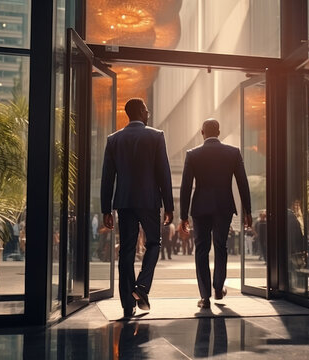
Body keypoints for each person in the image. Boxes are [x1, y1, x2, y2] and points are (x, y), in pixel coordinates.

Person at [101, 98, 174, 319]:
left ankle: (126, 304)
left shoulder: (114, 139)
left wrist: (106, 208)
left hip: (124, 202)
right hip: (149, 200)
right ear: (141, 111)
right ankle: (141, 288)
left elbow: (107, 177)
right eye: (146, 109)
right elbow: (164, 173)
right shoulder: (156, 136)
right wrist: (169, 205)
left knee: (126, 250)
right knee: (154, 242)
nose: (149, 111)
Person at [180, 118, 252, 309]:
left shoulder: (193, 154)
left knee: (201, 250)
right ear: (219, 132)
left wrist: (183, 216)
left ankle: (205, 297)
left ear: (202, 133)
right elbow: (242, 183)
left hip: (200, 208)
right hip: (223, 206)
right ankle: (218, 288)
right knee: (221, 246)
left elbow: (186, 187)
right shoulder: (233, 153)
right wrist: (248, 211)